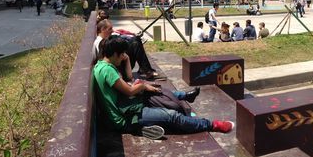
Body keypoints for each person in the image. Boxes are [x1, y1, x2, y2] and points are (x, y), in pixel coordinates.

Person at [93, 36, 233, 140]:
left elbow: (127, 83)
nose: (124, 57)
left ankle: (145, 126)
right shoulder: (108, 71)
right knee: (172, 116)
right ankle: (212, 125)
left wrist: (141, 84)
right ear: (114, 54)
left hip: (125, 108)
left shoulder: (102, 66)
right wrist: (142, 85)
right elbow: (129, 90)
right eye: (122, 54)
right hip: (125, 119)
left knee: (157, 94)